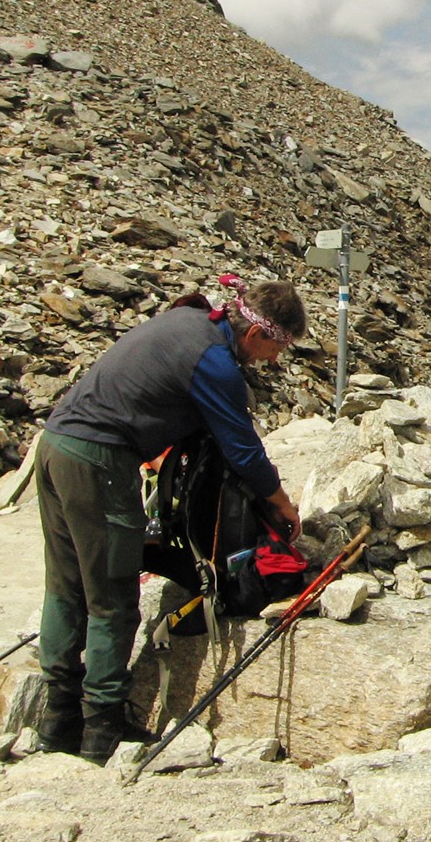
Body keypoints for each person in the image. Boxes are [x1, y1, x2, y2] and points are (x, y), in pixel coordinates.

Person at [35, 275, 307, 764]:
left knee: (66, 586)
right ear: (255, 333)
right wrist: (282, 503)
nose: (274, 360)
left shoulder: (187, 320)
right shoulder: (216, 362)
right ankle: (103, 725)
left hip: (56, 446)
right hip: (100, 462)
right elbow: (241, 447)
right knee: (112, 599)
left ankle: (56, 722)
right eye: (276, 348)